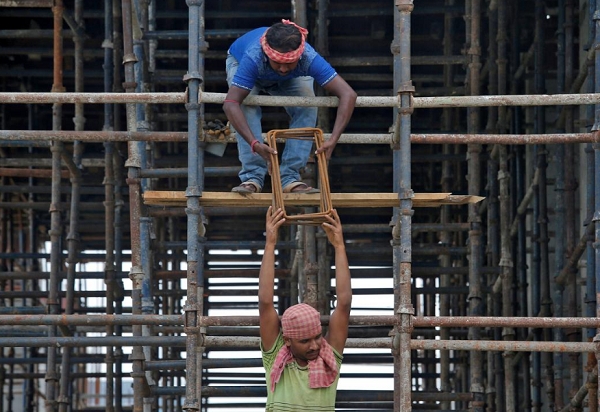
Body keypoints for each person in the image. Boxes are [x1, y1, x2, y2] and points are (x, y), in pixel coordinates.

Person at [223, 19, 357, 194]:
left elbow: (348, 94)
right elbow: (231, 103)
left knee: (307, 104)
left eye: (289, 63)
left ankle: (290, 178)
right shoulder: (253, 57)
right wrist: (255, 143)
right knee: (246, 105)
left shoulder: (308, 57)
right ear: (267, 53)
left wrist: (333, 140)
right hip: (240, 63)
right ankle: (252, 177)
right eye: (278, 62)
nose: (284, 69)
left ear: (299, 55)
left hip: (290, 78)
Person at [258, 206, 352, 411]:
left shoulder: (329, 359)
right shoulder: (276, 360)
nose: (315, 346)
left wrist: (339, 246)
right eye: (305, 341)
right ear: (287, 340)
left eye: (317, 336)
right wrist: (270, 242)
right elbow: (265, 302)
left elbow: (343, 303)